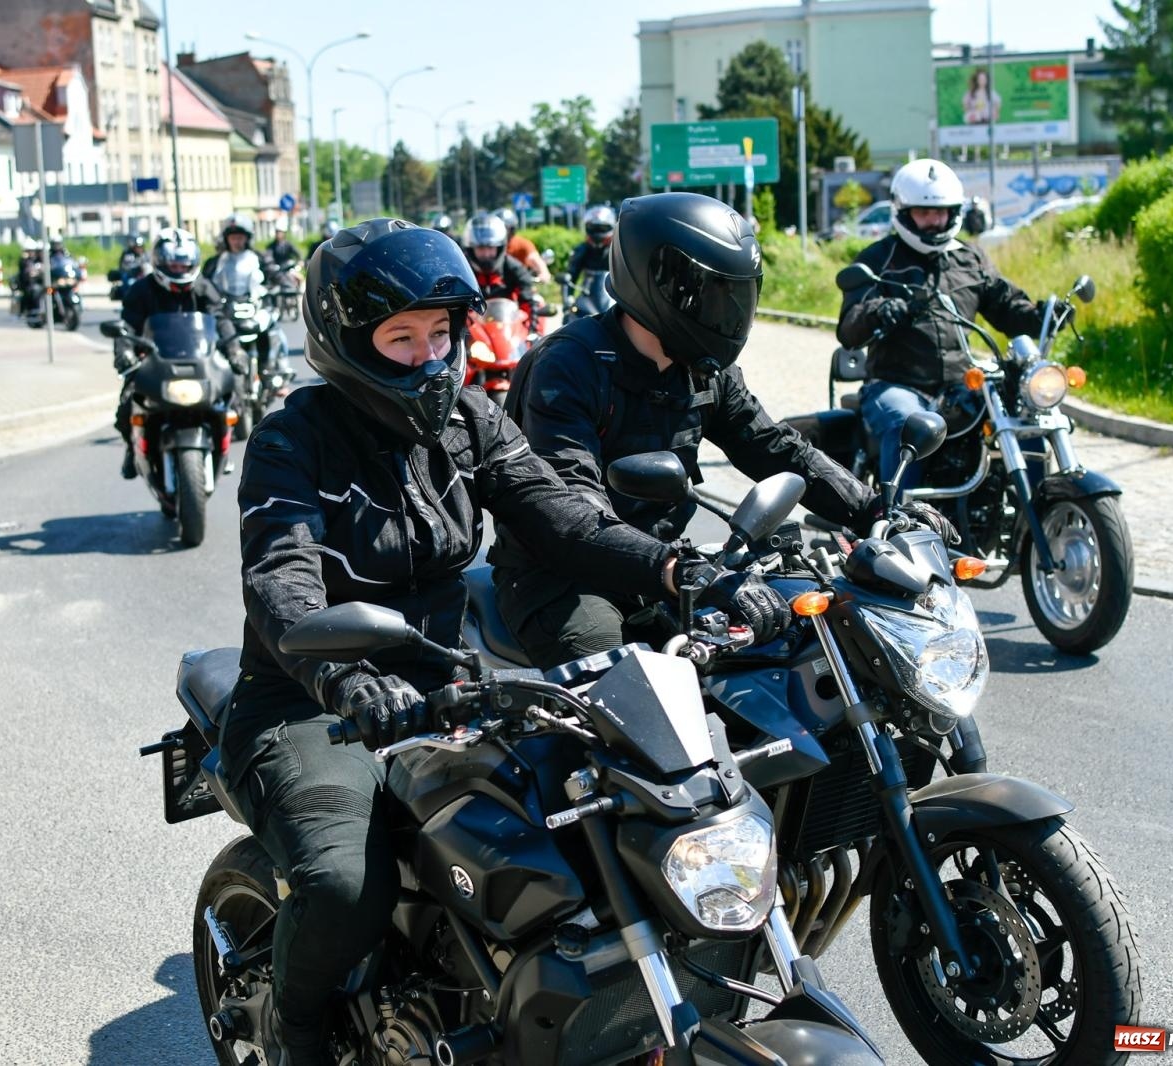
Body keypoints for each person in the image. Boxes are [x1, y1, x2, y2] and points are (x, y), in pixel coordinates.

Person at [230, 216, 777, 1065]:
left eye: (440, 333)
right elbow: (280, 579)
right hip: (309, 701)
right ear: (348, 342)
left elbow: (560, 518)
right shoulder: (290, 439)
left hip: (448, 688)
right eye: (400, 336)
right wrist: (343, 677)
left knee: (591, 835)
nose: (426, 355)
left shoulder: (468, 421)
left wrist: (678, 572)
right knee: (346, 887)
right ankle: (293, 1032)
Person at [489, 191, 956, 668]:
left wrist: (873, 508)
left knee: (793, 659)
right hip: (564, 578)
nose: (728, 311)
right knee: (628, 701)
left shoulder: (704, 368)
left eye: (736, 294)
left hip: (671, 568)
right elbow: (569, 511)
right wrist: (673, 567)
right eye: (713, 294)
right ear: (659, 285)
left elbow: (774, 446)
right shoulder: (569, 365)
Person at [838, 158, 1045, 484]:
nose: (935, 220)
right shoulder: (878, 259)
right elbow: (850, 326)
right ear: (904, 212)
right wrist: (879, 310)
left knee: (1023, 414)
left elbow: (1006, 305)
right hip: (895, 383)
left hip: (960, 384)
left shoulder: (969, 258)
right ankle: (900, 519)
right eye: (924, 213)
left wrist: (1042, 316)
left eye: (941, 212)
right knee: (907, 423)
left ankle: (1032, 509)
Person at [114, 228, 222, 479]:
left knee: (231, 399)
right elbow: (127, 326)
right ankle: (132, 448)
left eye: (184, 263)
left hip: (200, 361)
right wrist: (125, 352)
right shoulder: (141, 290)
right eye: (173, 264)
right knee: (126, 406)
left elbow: (221, 320)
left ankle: (224, 449)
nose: (179, 269)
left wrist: (234, 348)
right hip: (154, 363)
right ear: (160, 262)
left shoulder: (203, 287)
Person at [204, 214, 292, 384]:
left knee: (272, 326)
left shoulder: (259, 257)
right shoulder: (214, 262)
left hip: (253, 306)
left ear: (247, 238)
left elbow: (274, 272)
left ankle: (271, 370)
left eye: (240, 237)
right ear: (226, 238)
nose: (236, 241)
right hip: (226, 308)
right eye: (233, 237)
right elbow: (203, 283)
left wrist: (286, 285)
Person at [460, 213, 539, 307]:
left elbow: (527, 300)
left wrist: (531, 317)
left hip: (508, 320)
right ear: (471, 249)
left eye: (490, 247)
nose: (486, 254)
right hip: (471, 320)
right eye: (480, 248)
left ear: (500, 248)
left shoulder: (515, 268)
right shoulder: (461, 271)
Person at [496, 206, 551, 281]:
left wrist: (543, 272)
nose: (502, 231)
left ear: (512, 229)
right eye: (498, 228)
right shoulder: (487, 246)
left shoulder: (522, 244)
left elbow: (534, 259)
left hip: (520, 285)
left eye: (505, 228)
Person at [567, 204, 615, 283]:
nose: (597, 233)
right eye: (593, 228)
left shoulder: (617, 252)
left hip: (615, 293)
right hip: (588, 292)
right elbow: (571, 275)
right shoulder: (581, 250)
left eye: (602, 228)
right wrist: (568, 294)